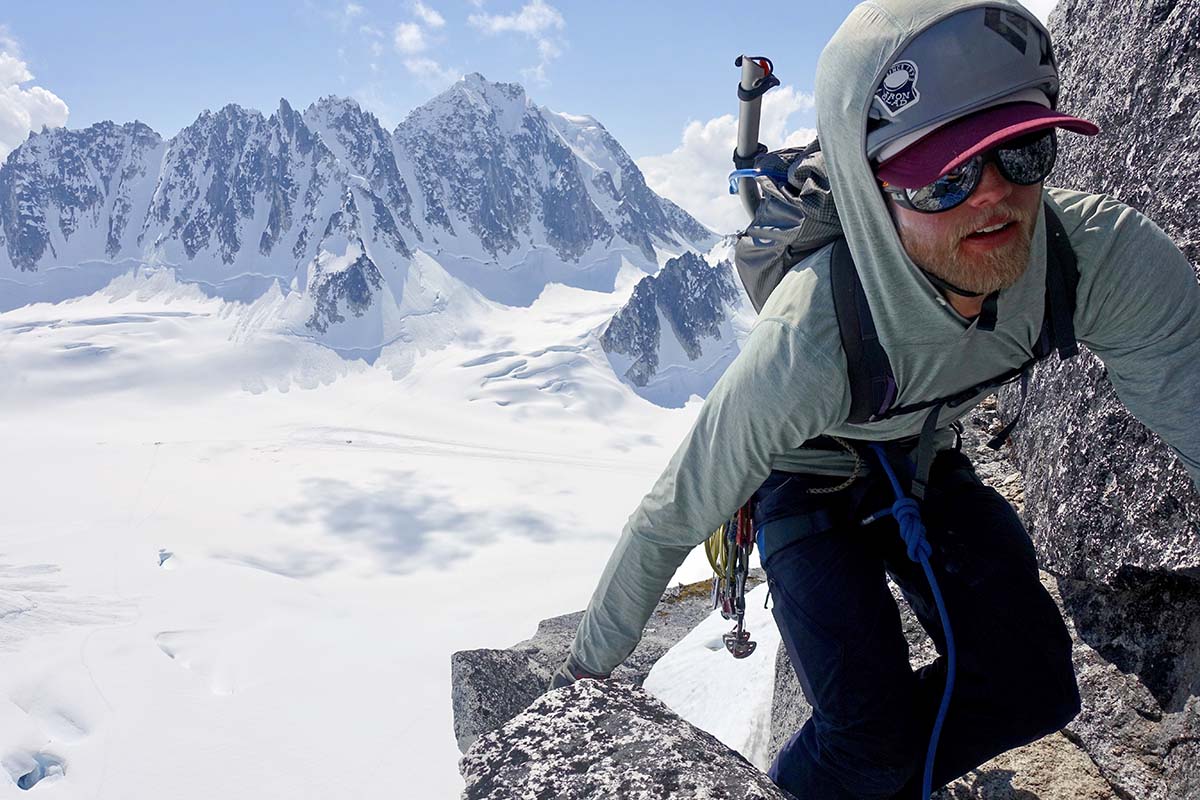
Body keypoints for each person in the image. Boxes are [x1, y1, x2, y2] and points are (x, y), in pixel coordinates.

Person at [551, 0, 1200, 797]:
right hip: (804, 475)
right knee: (868, 740)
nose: (992, 196)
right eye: (942, 174)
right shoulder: (810, 339)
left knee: (1039, 689)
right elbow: (670, 517)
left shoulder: (1093, 259)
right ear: (868, 191)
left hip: (919, 453)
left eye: (1021, 150)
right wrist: (578, 691)